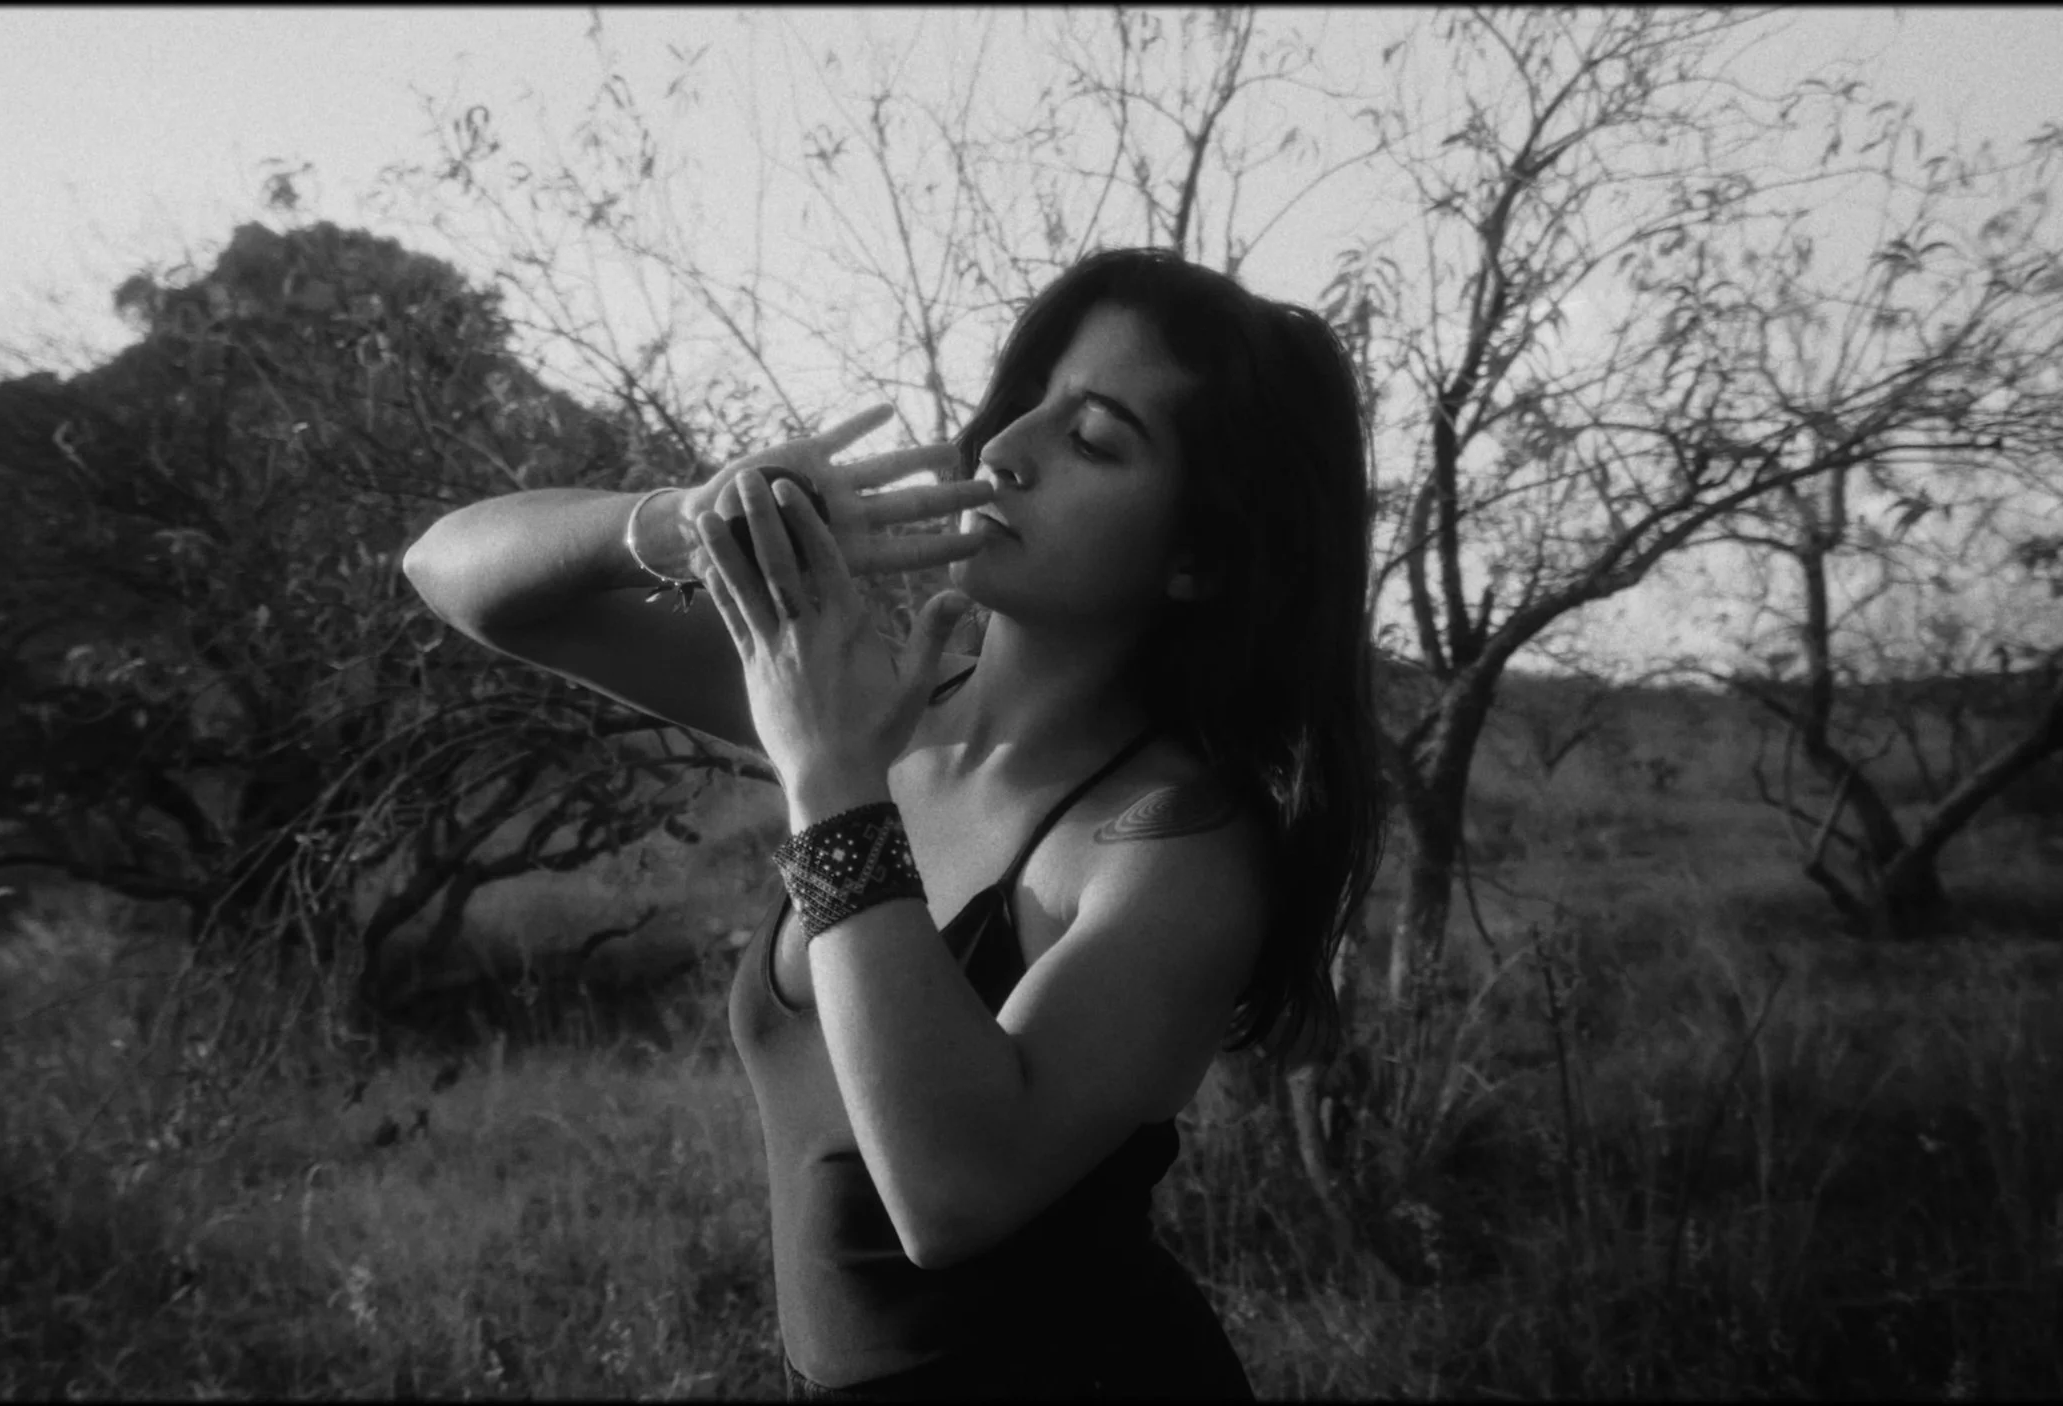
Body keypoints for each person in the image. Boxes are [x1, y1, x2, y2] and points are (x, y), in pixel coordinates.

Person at [402, 247, 1381, 1399]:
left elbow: (947, 1192)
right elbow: (454, 571)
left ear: (1198, 558)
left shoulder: (1175, 846)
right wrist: (685, 522)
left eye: (1094, 440)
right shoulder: (875, 694)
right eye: (1026, 403)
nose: (1008, 449)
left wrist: (828, 771)